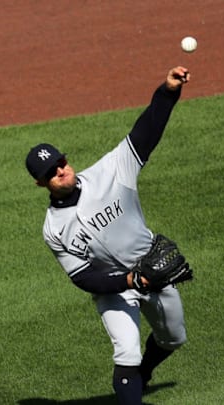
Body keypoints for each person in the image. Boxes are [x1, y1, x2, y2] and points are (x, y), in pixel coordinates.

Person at [25, 66, 191, 405]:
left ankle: (145, 373)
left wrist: (167, 92)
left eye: (61, 163)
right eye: (51, 173)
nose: (61, 171)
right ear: (40, 183)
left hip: (153, 269)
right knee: (125, 350)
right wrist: (130, 281)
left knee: (173, 338)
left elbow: (145, 133)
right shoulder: (53, 229)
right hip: (115, 289)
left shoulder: (110, 172)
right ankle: (132, 383)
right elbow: (84, 277)